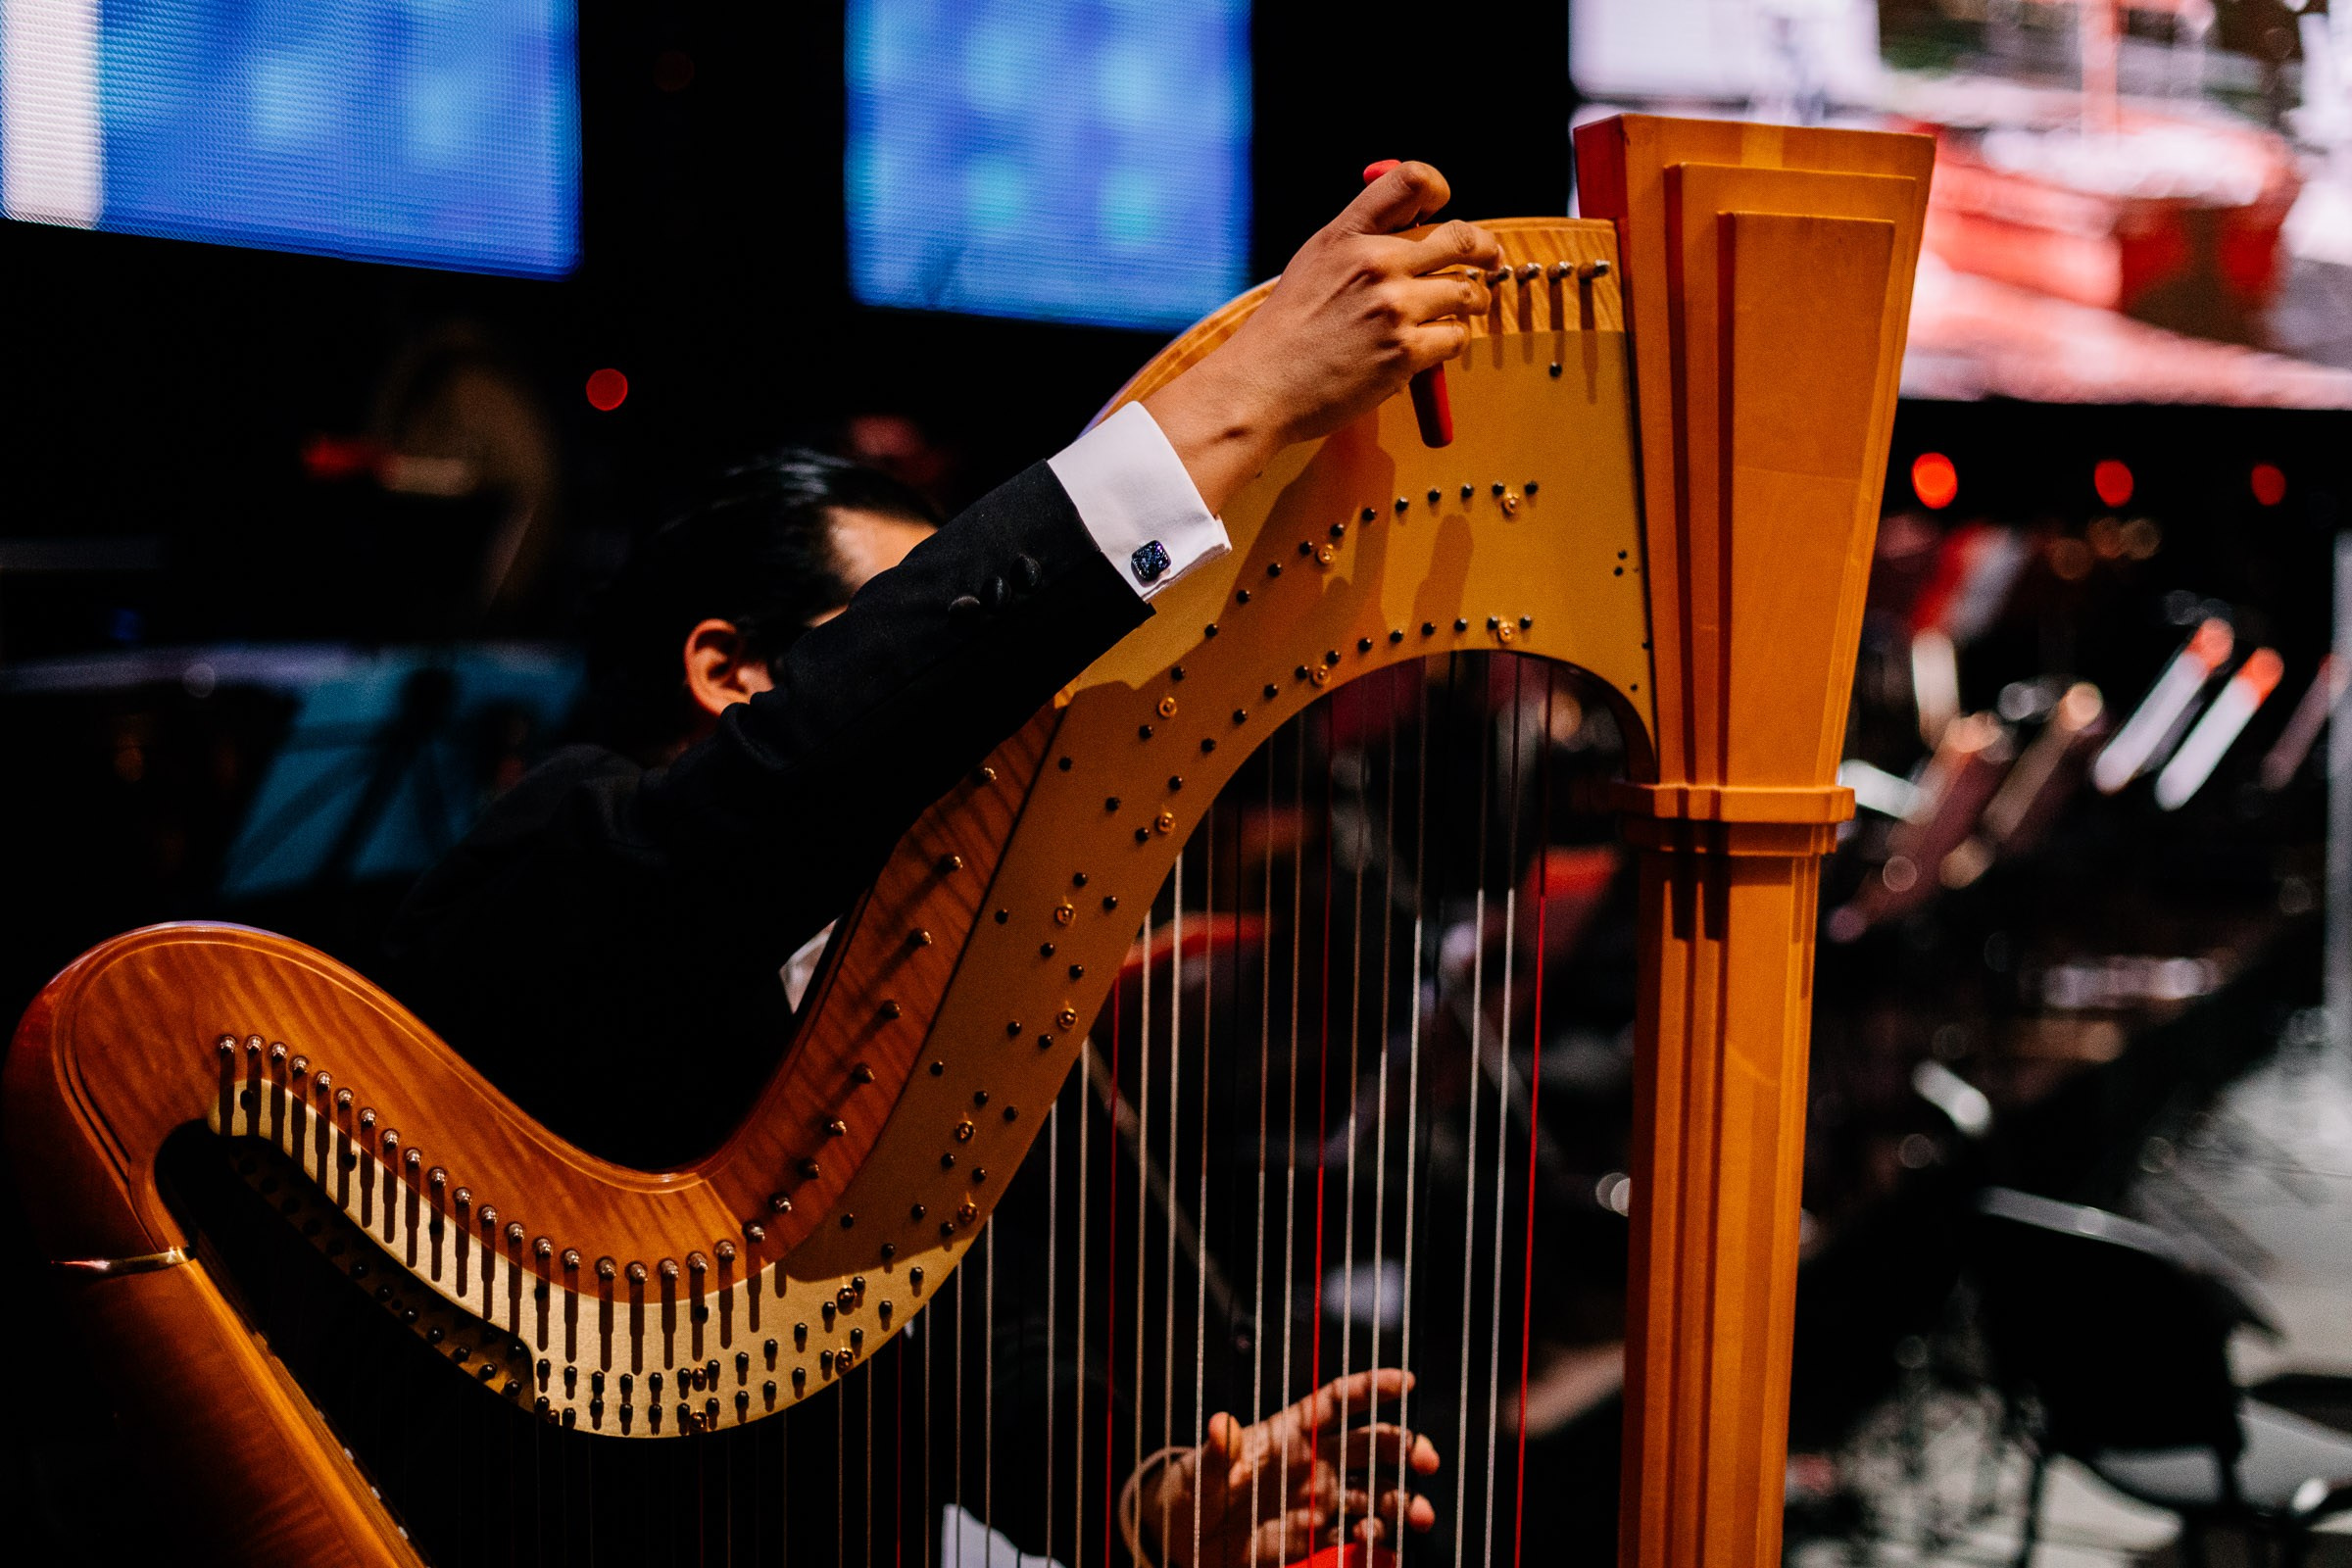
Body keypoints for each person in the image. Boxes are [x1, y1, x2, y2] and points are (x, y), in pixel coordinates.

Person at [386, 160, 1491, 1562]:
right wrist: (1232, 404)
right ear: (731, 671)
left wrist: (1162, 1515)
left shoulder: (931, 965)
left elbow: (999, 1376)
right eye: (904, 628)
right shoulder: (567, 858)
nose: (975, 701)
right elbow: (800, 781)